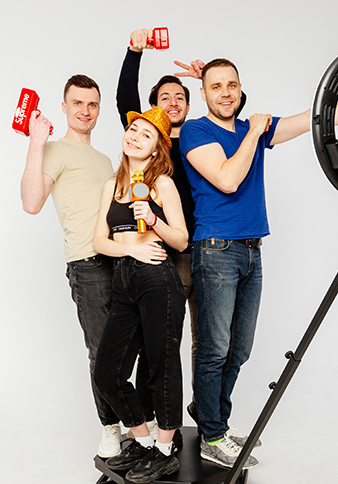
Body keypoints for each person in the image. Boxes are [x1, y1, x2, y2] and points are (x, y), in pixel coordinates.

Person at [180, 58, 338, 469]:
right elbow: (227, 179)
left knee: (240, 349)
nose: (226, 93)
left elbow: (312, 118)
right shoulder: (197, 131)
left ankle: (214, 420)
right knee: (215, 349)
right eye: (216, 86)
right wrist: (254, 132)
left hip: (252, 250)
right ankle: (212, 435)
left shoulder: (252, 128)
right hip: (215, 250)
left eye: (232, 84)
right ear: (204, 93)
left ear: (240, 87)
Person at [115, 29, 247, 418]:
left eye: (180, 97)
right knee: (159, 340)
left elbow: (232, 109)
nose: (173, 102)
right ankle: (159, 417)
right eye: (164, 98)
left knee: (209, 341)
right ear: (152, 106)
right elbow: (125, 100)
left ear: (191, 104)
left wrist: (210, 81)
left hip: (203, 251)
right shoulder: (149, 145)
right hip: (160, 253)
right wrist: (134, 52)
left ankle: (206, 417)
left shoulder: (201, 137)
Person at [19, 74, 123, 458]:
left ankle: (134, 425)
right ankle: (110, 429)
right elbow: (31, 202)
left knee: (126, 348)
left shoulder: (105, 160)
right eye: (77, 103)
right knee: (101, 350)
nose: (85, 110)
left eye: (92, 104)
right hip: (87, 264)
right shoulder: (53, 150)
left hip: (119, 258)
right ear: (64, 107)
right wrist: (36, 142)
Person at [92, 106, 188, 484]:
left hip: (157, 279)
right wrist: (131, 249)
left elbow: (180, 239)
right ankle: (144, 441)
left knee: (161, 366)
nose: (135, 136)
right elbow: (99, 242)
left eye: (146, 135)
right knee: (107, 372)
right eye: (133, 129)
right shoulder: (111, 186)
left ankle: (164, 451)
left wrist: (153, 217)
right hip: (124, 278)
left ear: (156, 148)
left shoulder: (162, 184)